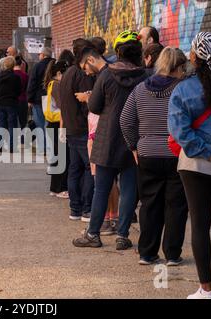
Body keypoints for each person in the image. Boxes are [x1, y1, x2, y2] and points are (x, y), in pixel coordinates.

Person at [168, 32, 211, 299]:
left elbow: (180, 133)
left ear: (195, 56)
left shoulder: (183, 89)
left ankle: (205, 290)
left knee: (200, 224)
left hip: (194, 165)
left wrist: (208, 153)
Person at [73, 31, 148, 250]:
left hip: (107, 140)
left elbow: (94, 106)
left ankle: (93, 234)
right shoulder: (144, 77)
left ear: (118, 52)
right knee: (128, 191)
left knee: (102, 190)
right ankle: (122, 236)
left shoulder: (106, 75)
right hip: (132, 141)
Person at [120, 47, 189, 266]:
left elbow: (125, 120)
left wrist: (134, 146)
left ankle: (147, 253)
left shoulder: (140, 89)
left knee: (149, 204)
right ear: (178, 67)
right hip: (175, 153)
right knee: (176, 205)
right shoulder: (182, 88)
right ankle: (172, 254)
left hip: (147, 152)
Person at [75, 46, 119, 235]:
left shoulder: (104, 76)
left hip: (101, 138)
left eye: (85, 67)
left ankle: (101, 225)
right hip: (105, 137)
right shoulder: (111, 75)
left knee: (102, 185)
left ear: (91, 60)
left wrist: (88, 98)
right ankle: (112, 220)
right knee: (110, 183)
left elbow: (97, 107)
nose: (85, 71)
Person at [59, 38, 95, 222]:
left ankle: (75, 208)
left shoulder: (67, 73)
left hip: (71, 127)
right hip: (81, 127)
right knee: (88, 168)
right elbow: (87, 103)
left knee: (75, 169)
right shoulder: (81, 75)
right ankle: (86, 208)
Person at [43, 59, 70, 198]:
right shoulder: (57, 85)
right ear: (59, 73)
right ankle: (61, 188)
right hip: (59, 123)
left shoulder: (51, 84)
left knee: (57, 156)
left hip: (52, 123)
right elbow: (63, 106)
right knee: (62, 157)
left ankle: (55, 188)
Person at [27, 47, 54, 153]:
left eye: (39, 54)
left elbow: (32, 83)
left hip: (38, 99)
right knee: (49, 124)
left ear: (43, 55)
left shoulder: (37, 66)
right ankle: (50, 147)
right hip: (52, 98)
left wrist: (29, 98)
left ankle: (42, 148)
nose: (39, 56)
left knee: (39, 123)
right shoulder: (54, 65)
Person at [0, 56, 22, 152]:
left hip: (0, 103)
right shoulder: (16, 77)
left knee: (1, 124)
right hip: (11, 103)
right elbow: (19, 90)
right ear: (13, 65)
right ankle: (12, 147)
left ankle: (0, 146)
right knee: (12, 125)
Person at [13, 56, 29, 130]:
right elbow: (27, 88)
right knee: (23, 121)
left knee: (13, 121)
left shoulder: (11, 74)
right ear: (21, 64)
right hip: (23, 99)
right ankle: (23, 139)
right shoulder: (25, 75)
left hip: (13, 100)